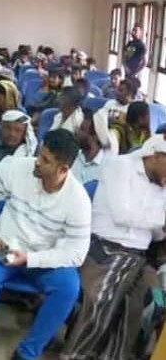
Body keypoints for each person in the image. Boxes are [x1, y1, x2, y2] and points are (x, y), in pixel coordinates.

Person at [0, 130, 90, 360]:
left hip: (42, 259)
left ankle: (27, 353)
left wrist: (31, 259)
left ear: (63, 170)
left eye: (46, 160)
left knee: (68, 288)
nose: (37, 162)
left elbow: (76, 253)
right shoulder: (18, 167)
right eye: (40, 154)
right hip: (5, 246)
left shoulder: (78, 200)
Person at [60, 136, 166, 360]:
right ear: (157, 156)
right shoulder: (120, 166)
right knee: (103, 297)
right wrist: (160, 220)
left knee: (149, 300)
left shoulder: (162, 183)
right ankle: (77, 354)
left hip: (139, 257)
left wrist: (159, 224)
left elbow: (156, 234)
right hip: (103, 249)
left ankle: (111, 355)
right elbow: (122, 214)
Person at [70, 111, 113, 186]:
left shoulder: (108, 166)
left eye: (82, 129)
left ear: (95, 136)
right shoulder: (71, 157)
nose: (77, 132)